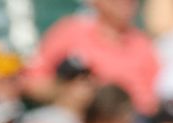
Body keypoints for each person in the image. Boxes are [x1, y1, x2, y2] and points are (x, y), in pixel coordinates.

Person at [23, 0, 160, 115]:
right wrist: (68, 92)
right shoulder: (70, 31)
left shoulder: (143, 44)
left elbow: (154, 99)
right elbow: (33, 83)